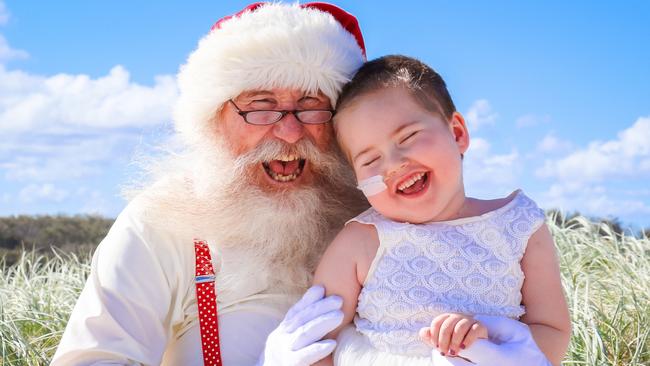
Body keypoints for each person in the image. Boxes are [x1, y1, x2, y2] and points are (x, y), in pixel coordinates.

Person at [51, 3, 370, 365]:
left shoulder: (382, 214)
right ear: (214, 119)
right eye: (261, 105)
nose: (290, 130)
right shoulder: (161, 222)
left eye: (311, 104)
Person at [312, 55, 572, 365]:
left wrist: (490, 339)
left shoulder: (518, 225)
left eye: (408, 137)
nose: (393, 165)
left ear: (458, 133)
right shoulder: (360, 241)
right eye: (369, 161)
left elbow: (553, 330)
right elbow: (315, 340)